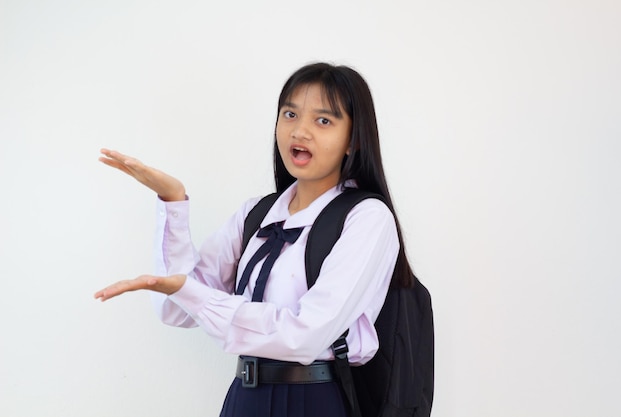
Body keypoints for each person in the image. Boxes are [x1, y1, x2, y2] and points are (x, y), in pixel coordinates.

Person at [95, 62, 415, 417]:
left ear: (353, 141)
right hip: (244, 398)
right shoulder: (257, 214)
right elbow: (176, 309)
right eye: (290, 114)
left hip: (314, 400)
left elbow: (305, 336)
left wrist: (195, 295)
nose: (300, 131)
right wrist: (173, 201)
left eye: (323, 120)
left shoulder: (367, 218)